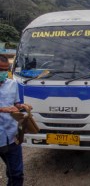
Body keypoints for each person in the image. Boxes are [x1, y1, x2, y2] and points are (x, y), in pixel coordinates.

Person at [0, 54, 32, 186]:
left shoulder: (13, 84)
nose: (2, 73)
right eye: (0, 69)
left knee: (16, 174)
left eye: (5, 69)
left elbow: (16, 103)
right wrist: (3, 109)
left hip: (12, 137)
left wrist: (21, 106)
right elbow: (7, 108)